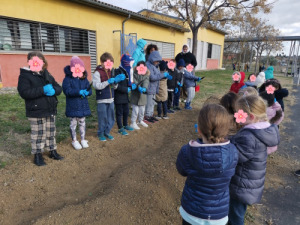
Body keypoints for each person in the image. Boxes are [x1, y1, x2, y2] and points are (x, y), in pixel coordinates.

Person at [176, 104, 238, 225]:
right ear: (226, 129)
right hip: (219, 215)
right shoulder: (233, 151)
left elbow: (182, 170)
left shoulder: (187, 151)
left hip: (192, 212)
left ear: (198, 129)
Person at [229, 94, 280, 225]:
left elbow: (235, 155)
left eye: (239, 113)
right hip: (249, 184)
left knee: (235, 215)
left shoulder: (249, 136)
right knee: (238, 211)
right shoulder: (262, 131)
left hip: (241, 186)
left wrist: (225, 143)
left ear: (251, 116)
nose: (236, 115)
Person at [17, 51, 63, 166]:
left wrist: (54, 91)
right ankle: (38, 155)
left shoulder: (46, 73)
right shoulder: (25, 75)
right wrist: (42, 90)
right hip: (36, 110)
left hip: (50, 109)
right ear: (29, 62)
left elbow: (58, 87)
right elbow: (24, 93)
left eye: (39, 60)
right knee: (38, 134)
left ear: (43, 62)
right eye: (34, 60)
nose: (37, 63)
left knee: (50, 132)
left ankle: (52, 151)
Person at [93, 52, 125, 141]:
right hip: (102, 100)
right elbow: (96, 86)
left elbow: (114, 87)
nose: (109, 65)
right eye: (107, 63)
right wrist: (108, 82)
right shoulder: (97, 73)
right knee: (102, 118)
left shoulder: (111, 72)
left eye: (110, 63)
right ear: (102, 62)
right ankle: (101, 133)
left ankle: (107, 132)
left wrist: (115, 82)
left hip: (111, 99)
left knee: (111, 118)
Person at [62, 56, 92, 150]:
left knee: (82, 123)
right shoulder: (67, 79)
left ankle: (83, 139)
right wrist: (78, 92)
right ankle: (74, 140)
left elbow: (89, 89)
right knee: (73, 124)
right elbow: (67, 91)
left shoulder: (84, 79)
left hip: (83, 106)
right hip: (73, 105)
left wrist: (88, 92)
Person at [144, 50, 170, 123]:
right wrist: (163, 75)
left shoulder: (154, 66)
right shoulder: (148, 65)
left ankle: (151, 115)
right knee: (149, 103)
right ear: (153, 59)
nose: (158, 62)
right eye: (157, 61)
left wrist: (164, 75)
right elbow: (152, 77)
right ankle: (147, 116)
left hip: (154, 88)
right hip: (149, 87)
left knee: (152, 103)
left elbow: (157, 75)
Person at [113, 54, 135, 136]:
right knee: (119, 113)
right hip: (119, 96)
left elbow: (128, 83)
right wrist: (125, 89)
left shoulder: (127, 71)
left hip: (125, 96)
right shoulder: (117, 71)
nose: (130, 65)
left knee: (126, 111)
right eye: (130, 63)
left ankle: (125, 125)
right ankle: (120, 128)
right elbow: (115, 86)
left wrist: (131, 86)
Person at [130, 61, 150, 130]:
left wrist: (144, 88)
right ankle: (133, 122)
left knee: (142, 109)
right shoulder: (134, 73)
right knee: (135, 109)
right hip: (135, 94)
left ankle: (140, 120)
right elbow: (134, 81)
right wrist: (138, 87)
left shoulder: (146, 74)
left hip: (142, 95)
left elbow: (146, 81)